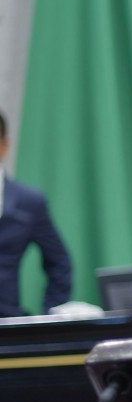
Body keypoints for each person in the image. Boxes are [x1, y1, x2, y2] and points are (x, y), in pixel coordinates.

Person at [0, 111, 71, 316]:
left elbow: (60, 263)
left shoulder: (29, 202)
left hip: (6, 325)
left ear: (4, 146)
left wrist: (48, 318)